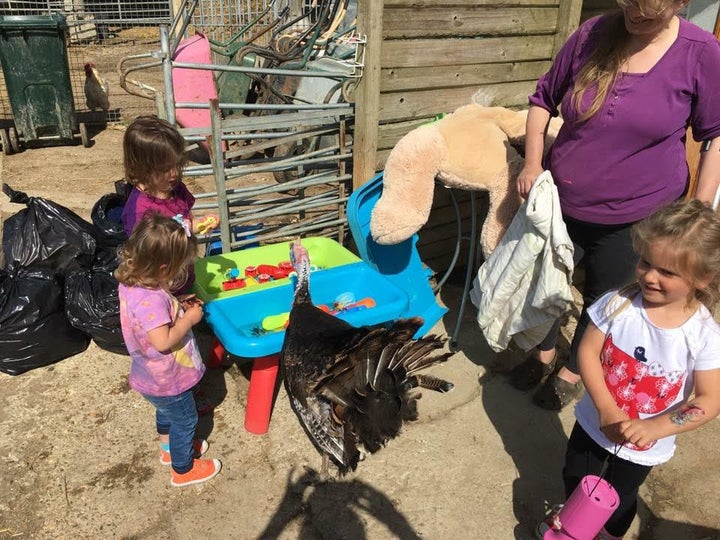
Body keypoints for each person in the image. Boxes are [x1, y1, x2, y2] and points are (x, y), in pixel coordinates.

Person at [510, 0, 720, 410]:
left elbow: (715, 137)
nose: (635, 17)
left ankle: (573, 369)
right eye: (629, 5)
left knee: (603, 299)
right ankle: (544, 354)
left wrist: (700, 209)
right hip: (560, 204)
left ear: (680, 3)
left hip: (636, 215)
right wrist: (533, 163)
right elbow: (542, 100)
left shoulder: (701, 53)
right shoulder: (590, 35)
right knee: (546, 286)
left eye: (650, 12)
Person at [536, 199, 720, 539]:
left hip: (647, 443)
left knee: (619, 499)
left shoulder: (704, 335)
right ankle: (573, 522)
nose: (650, 276)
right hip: (595, 422)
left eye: (667, 272)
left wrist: (656, 429)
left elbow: (709, 399)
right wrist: (606, 409)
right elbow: (588, 352)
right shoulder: (619, 302)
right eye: (646, 262)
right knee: (575, 476)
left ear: (701, 277)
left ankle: (607, 534)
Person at [115, 213, 222, 487]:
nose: (180, 273)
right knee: (186, 420)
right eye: (178, 268)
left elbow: (150, 316)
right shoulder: (151, 300)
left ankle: (168, 450)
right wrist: (188, 320)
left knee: (167, 414)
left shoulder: (133, 284)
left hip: (150, 377)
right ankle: (183, 469)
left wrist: (176, 303)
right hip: (168, 377)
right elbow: (162, 341)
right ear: (163, 268)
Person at [120, 115, 218, 293]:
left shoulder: (176, 189)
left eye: (177, 165)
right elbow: (144, 262)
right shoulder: (140, 211)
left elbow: (184, 224)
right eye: (165, 169)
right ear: (142, 167)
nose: (174, 174)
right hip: (161, 291)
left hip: (184, 279)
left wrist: (200, 224)